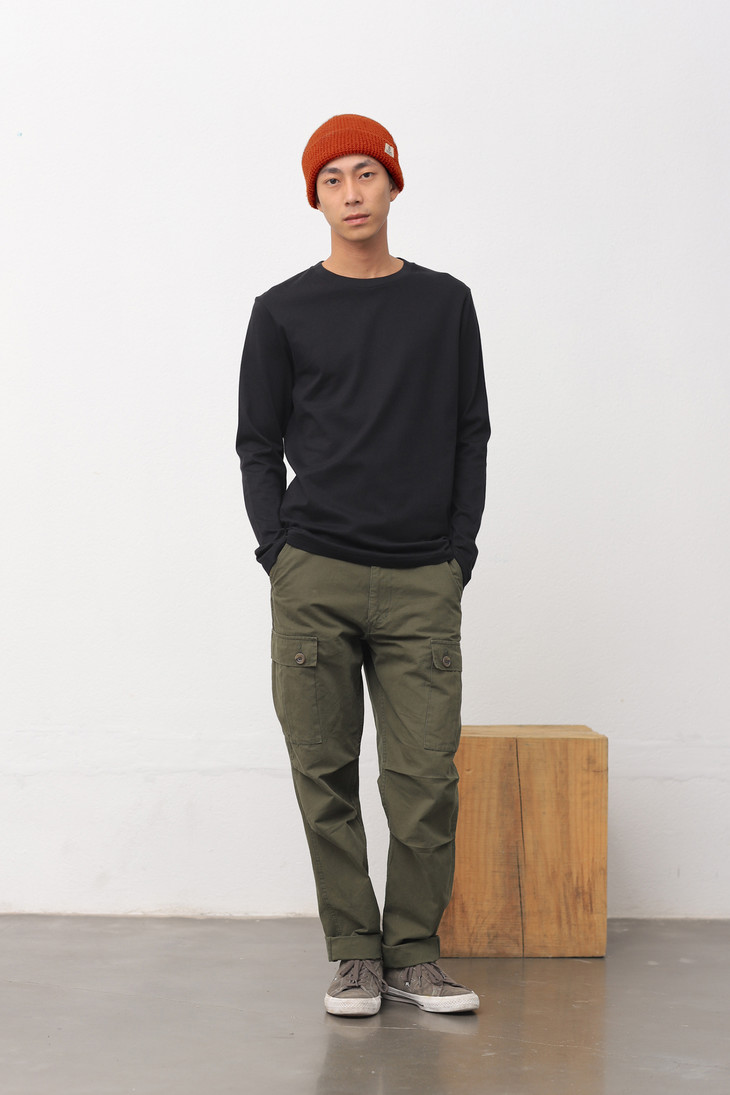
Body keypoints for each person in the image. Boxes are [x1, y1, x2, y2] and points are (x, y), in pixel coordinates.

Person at [236, 114, 490, 1017]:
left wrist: (458, 551)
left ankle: (413, 952)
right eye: (332, 179)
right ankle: (354, 952)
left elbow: (470, 432)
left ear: (393, 183)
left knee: (425, 780)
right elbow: (257, 443)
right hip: (316, 573)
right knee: (325, 774)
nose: (351, 193)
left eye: (366, 173)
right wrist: (279, 553)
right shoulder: (282, 310)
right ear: (316, 196)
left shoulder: (444, 303)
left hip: (423, 575)